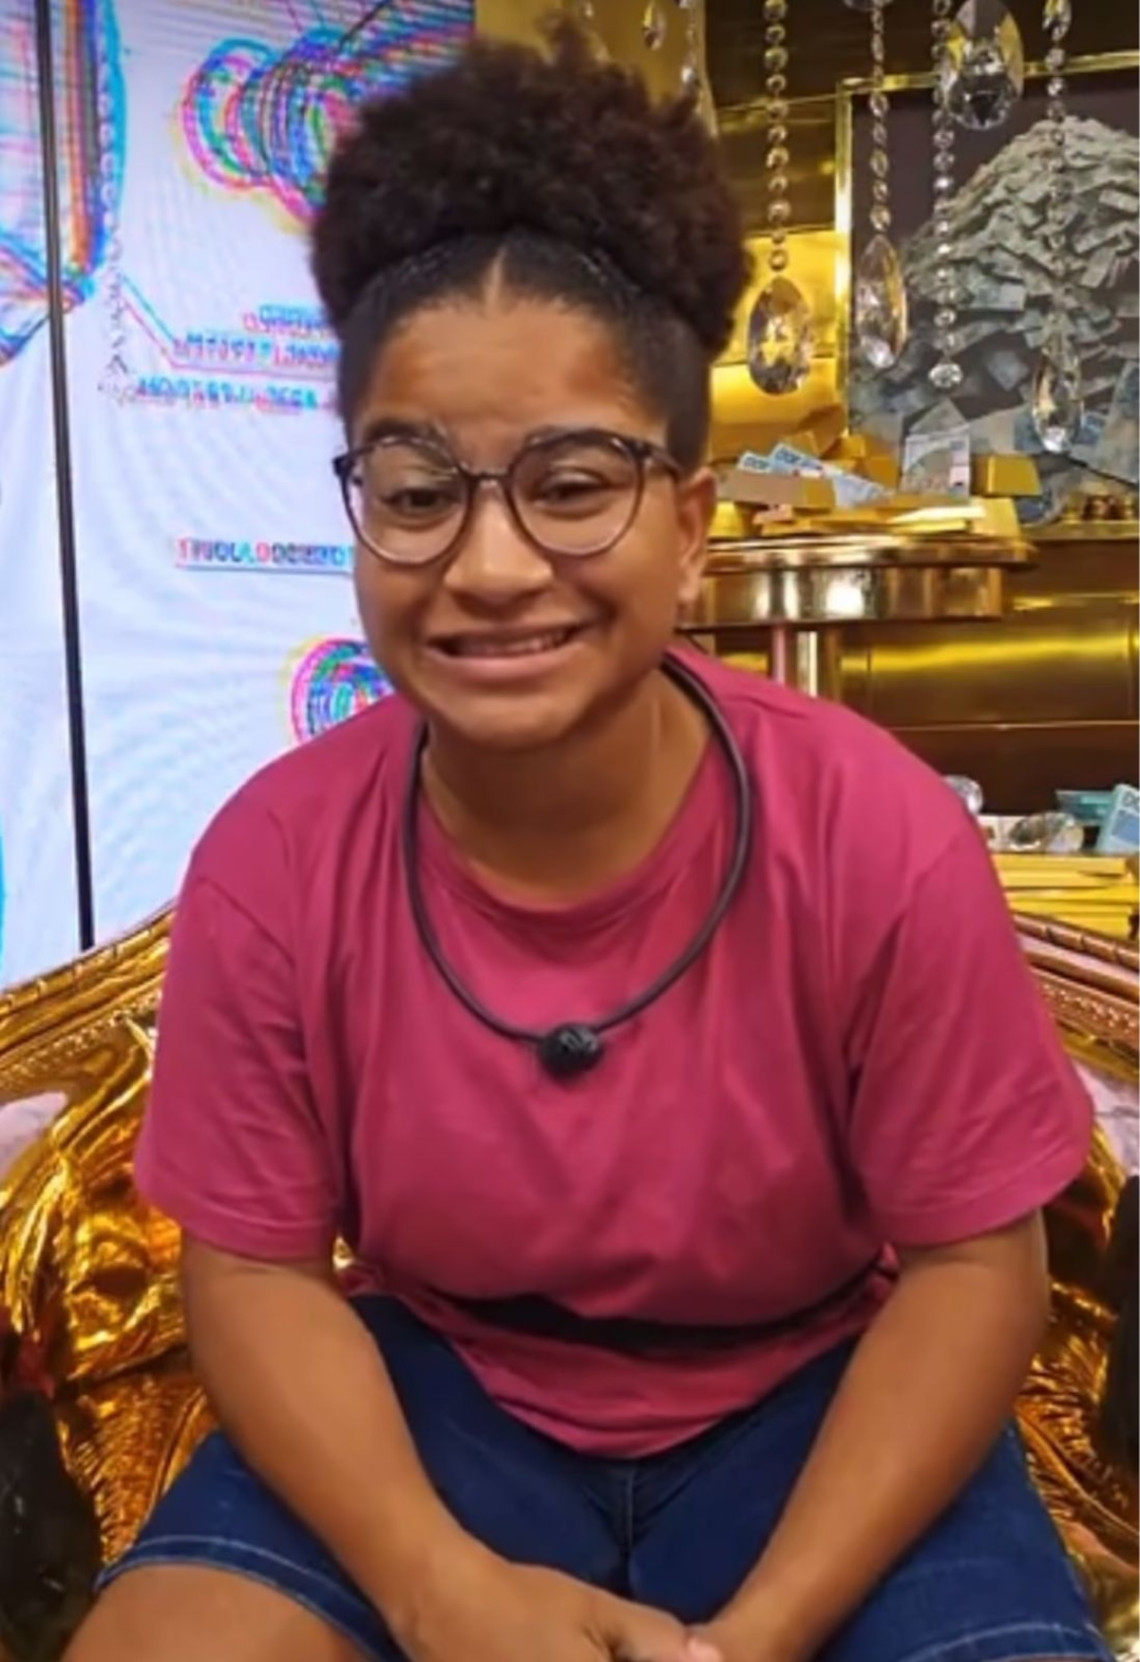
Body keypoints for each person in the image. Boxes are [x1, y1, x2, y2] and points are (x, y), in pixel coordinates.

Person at [66, 21, 1108, 1662]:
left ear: (690, 525)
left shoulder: (876, 833)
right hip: (438, 1398)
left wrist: (755, 1636)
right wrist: (436, 1585)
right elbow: (255, 1272)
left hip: (819, 1403)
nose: (489, 567)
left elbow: (977, 1265)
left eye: (571, 484)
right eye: (418, 490)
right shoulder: (277, 858)